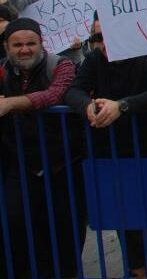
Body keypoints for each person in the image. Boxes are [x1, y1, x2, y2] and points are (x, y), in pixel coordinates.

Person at [64, 16, 147, 278]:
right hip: (106, 148)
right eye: (96, 38)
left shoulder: (146, 57)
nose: (101, 44)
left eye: (105, 37)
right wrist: (86, 106)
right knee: (124, 213)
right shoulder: (94, 60)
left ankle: (142, 262)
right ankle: (137, 269)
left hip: (143, 147)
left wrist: (121, 106)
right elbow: (74, 91)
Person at [0, 18, 86, 279]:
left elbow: (55, 94)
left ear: (41, 44)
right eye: (17, 45)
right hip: (21, 163)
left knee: (63, 230)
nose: (24, 49)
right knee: (14, 225)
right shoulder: (3, 71)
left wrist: (11, 103)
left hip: (63, 163)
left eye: (30, 43)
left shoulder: (62, 65)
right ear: (6, 47)